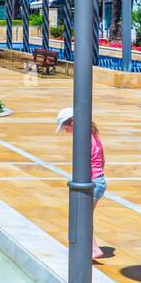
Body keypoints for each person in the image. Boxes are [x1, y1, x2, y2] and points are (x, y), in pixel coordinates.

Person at [56, 106, 106, 260]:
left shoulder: (84, 139)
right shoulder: (92, 134)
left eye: (65, 127)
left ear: (72, 122)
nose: (66, 131)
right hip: (98, 180)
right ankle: (91, 249)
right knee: (84, 218)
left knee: (82, 218)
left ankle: (94, 250)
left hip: (93, 182)